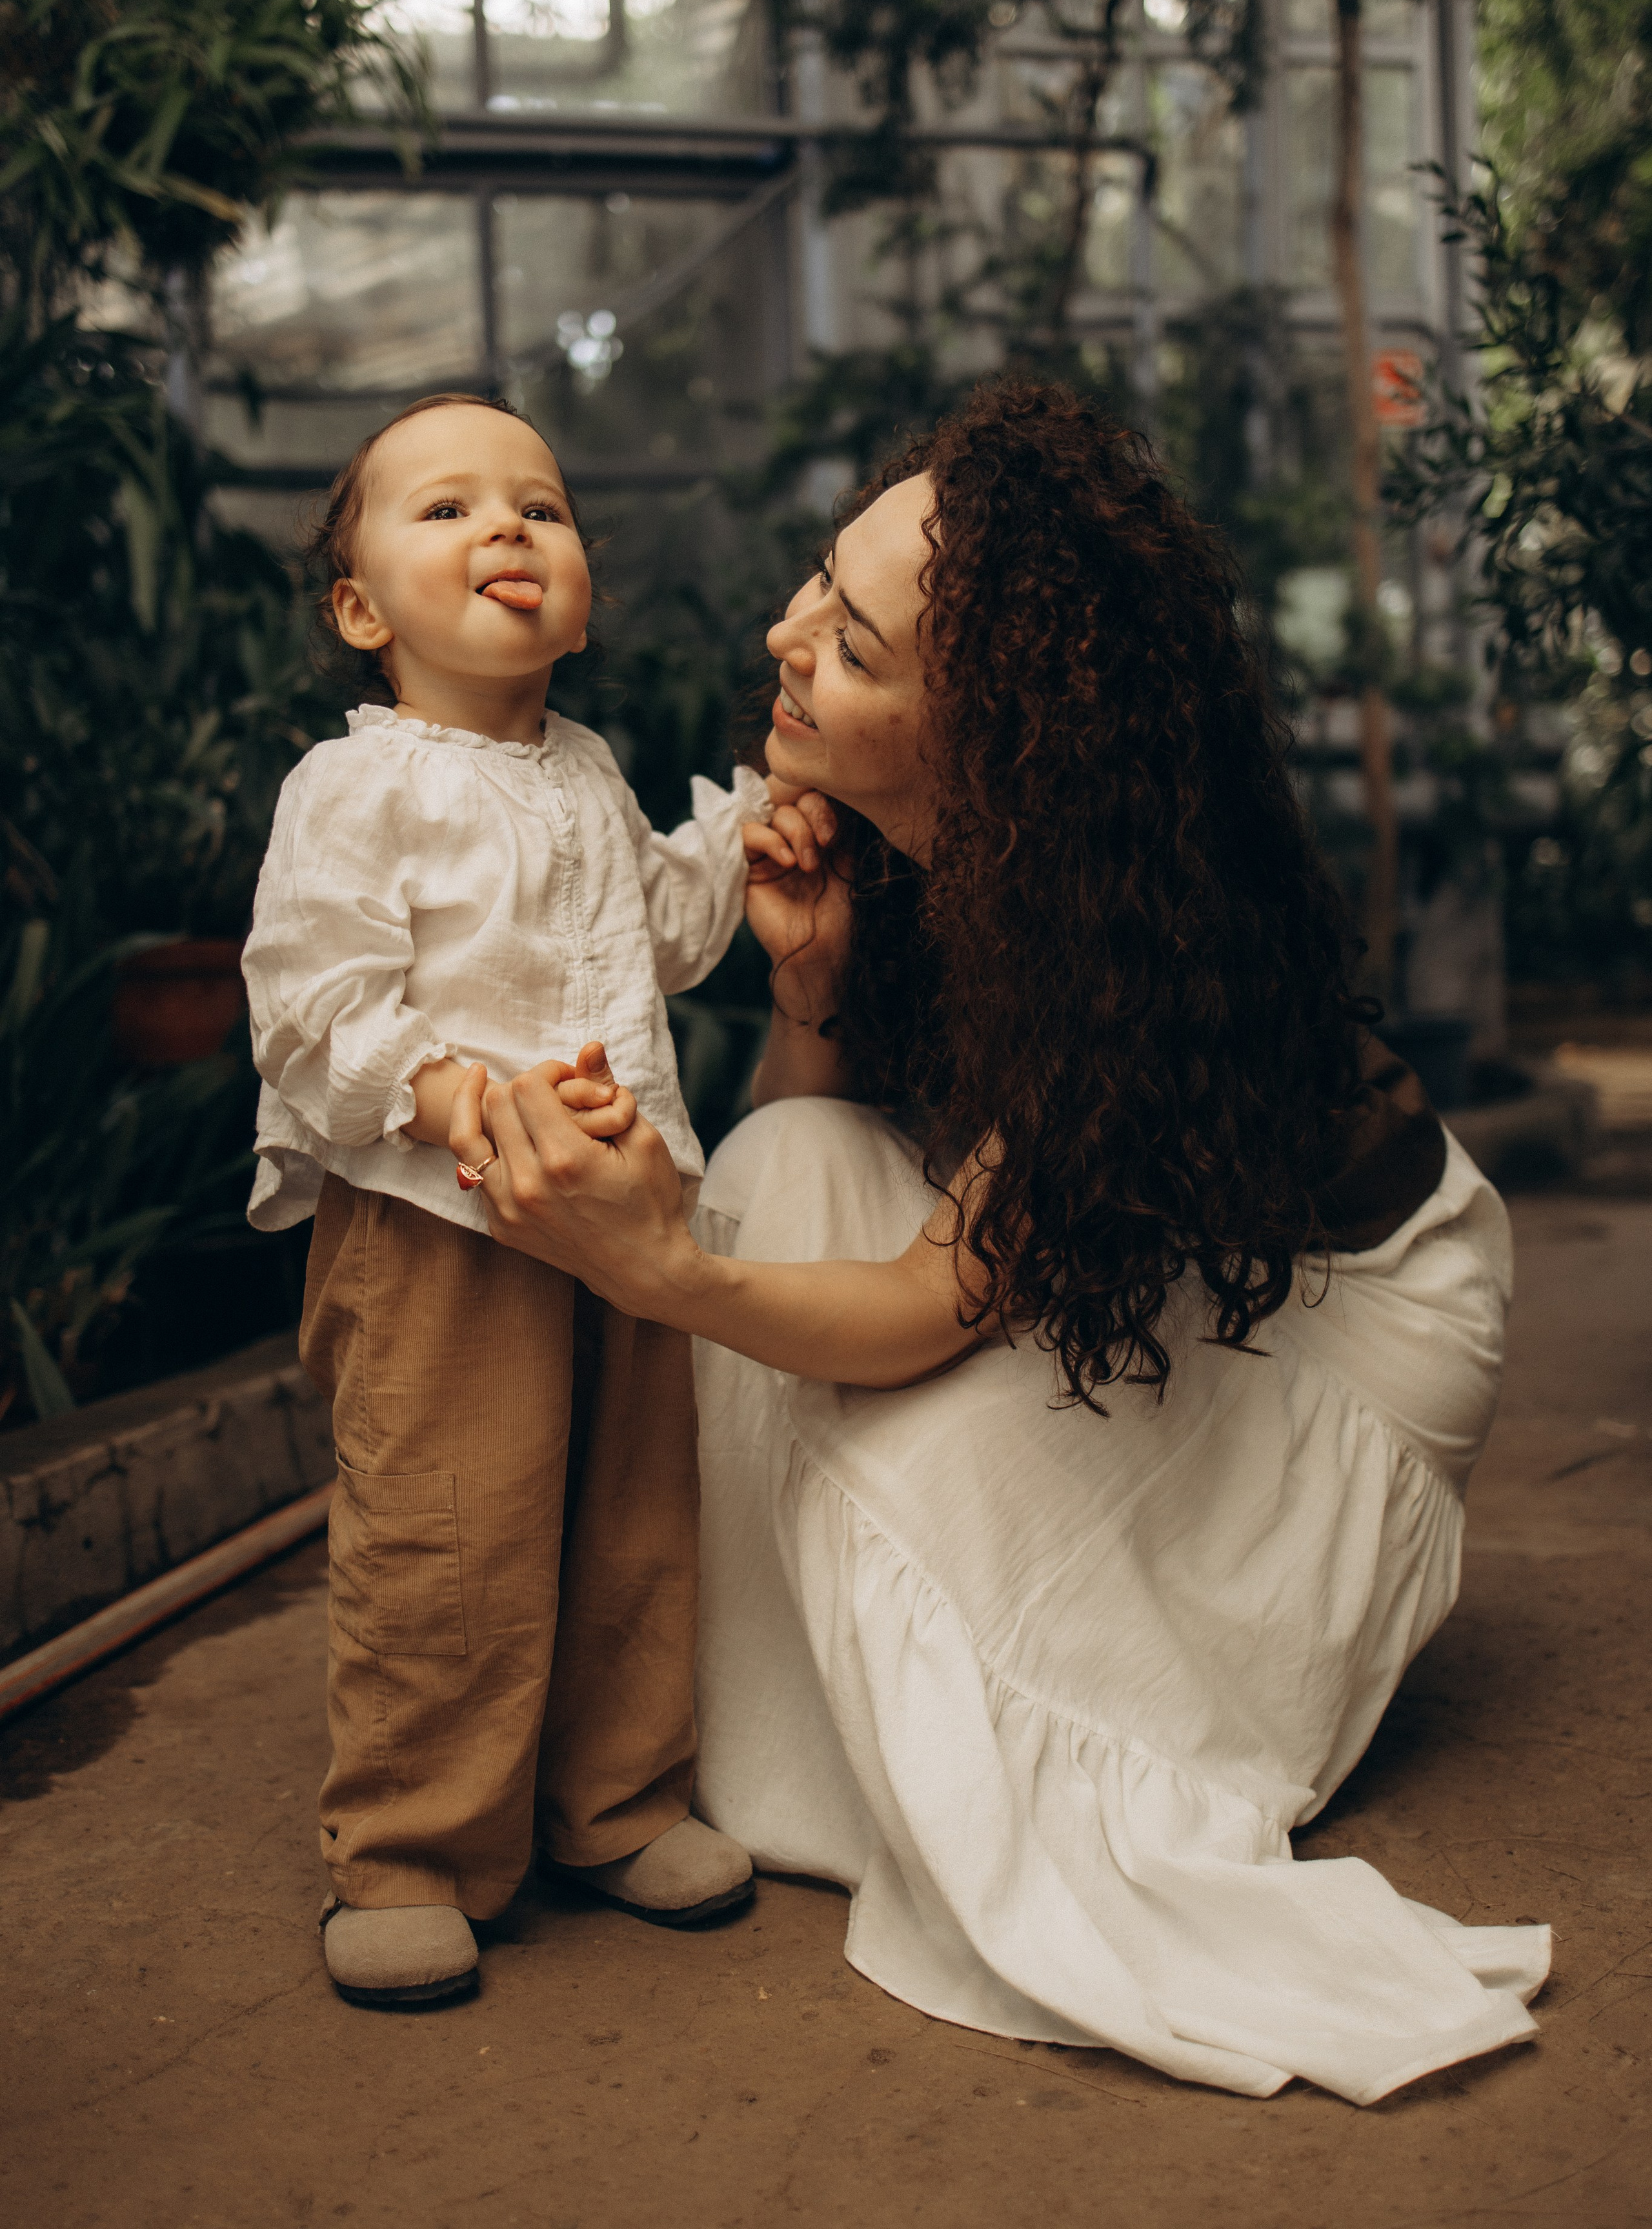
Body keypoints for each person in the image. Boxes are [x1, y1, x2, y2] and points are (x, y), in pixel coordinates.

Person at [449, 379, 1552, 2104]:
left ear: (998, 737)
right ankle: (771, 1744)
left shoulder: (1121, 932)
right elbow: (807, 1166)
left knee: (888, 1419)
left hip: (1359, 1342)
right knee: (790, 1153)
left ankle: (1099, 1720)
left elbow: (924, 1300)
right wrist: (808, 983)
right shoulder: (899, 844)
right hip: (1111, 1258)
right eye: (823, 582)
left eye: (860, 650)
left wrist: (653, 1270)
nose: (785, 636)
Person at [241, 392, 827, 2008]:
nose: (506, 527)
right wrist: (456, 1102)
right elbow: (309, 1001)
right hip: (442, 1223)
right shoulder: (355, 792)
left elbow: (651, 934)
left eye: (542, 508)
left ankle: (615, 1800)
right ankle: (414, 1847)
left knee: (634, 1514)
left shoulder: (581, 773)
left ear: (580, 589)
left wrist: (738, 863)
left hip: (616, 1207)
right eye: (446, 510)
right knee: (449, 1533)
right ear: (361, 610)